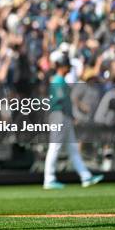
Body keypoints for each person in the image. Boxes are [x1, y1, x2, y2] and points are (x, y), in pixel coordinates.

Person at [43, 53, 104, 190]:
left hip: (64, 116)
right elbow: (59, 101)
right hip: (59, 115)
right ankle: (49, 178)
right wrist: (68, 115)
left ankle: (85, 176)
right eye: (67, 66)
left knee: (72, 149)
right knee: (55, 146)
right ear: (62, 66)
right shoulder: (57, 80)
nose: (68, 68)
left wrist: (71, 116)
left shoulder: (60, 80)